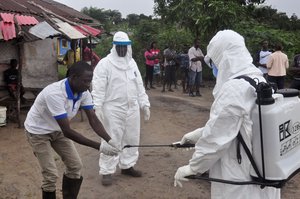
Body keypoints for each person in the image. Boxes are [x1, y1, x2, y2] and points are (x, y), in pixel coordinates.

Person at [174, 30, 280, 199]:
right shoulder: (259, 80)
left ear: (224, 58)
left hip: (240, 177)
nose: (214, 68)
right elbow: (237, 124)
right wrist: (197, 135)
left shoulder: (234, 88)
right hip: (262, 176)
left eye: (214, 62)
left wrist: (193, 167)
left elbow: (216, 138)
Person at [24, 61, 120, 199]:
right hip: (38, 132)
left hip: (57, 130)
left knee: (75, 167)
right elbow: (68, 131)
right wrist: (99, 147)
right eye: (85, 81)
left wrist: (110, 140)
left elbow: (93, 119)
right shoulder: (54, 93)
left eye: (90, 81)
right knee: (50, 175)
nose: (88, 85)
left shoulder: (83, 92)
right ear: (73, 77)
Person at [92, 31, 151, 186]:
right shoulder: (105, 64)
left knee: (132, 137)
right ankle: (106, 170)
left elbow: (139, 85)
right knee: (112, 138)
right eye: (120, 47)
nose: (123, 50)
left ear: (128, 47)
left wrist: (144, 103)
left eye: (125, 47)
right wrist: (97, 106)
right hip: (112, 108)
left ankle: (127, 165)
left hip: (132, 107)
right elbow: (98, 87)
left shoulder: (132, 63)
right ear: (114, 47)